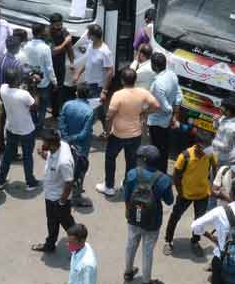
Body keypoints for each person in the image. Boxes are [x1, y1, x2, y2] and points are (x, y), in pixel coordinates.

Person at [96, 67, 159, 197]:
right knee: (131, 162)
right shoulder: (142, 92)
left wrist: (107, 131)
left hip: (118, 134)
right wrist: (144, 112)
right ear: (134, 80)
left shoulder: (118, 95)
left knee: (110, 158)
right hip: (135, 135)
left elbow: (109, 116)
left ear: (122, 81)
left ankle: (109, 186)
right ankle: (127, 186)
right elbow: (156, 106)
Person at [123, 145, 174, 284]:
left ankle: (128, 272)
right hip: (152, 221)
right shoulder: (163, 179)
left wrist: (128, 212)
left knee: (131, 244)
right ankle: (146, 282)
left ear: (143, 160)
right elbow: (170, 201)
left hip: (133, 217)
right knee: (147, 250)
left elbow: (126, 196)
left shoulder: (132, 173)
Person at [164, 130, 217, 257]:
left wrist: (212, 185)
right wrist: (180, 192)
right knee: (175, 216)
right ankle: (168, 241)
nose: (209, 148)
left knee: (199, 221)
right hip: (185, 195)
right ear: (198, 145)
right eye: (206, 146)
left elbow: (216, 168)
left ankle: (195, 242)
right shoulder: (185, 156)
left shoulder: (210, 154)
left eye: (210, 145)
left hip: (203, 194)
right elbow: (176, 176)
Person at [32, 129, 76, 253]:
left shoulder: (63, 162)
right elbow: (52, 160)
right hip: (51, 196)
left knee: (68, 225)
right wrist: (44, 155)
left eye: (44, 142)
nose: (41, 144)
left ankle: (80, 248)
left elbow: (69, 182)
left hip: (57, 199)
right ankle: (50, 245)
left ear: (52, 144)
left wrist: (62, 201)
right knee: (52, 222)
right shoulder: (60, 146)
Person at [0, 68, 41, 190]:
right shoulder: (24, 95)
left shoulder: (3, 89)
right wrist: (35, 87)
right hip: (26, 130)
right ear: (17, 79)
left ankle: (0, 180)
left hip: (11, 127)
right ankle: (30, 182)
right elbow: (35, 106)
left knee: (7, 155)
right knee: (27, 156)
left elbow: (14, 88)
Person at [59, 84, 96, 205]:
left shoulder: (67, 105)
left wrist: (66, 139)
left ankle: (63, 190)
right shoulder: (90, 111)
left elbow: (61, 124)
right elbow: (85, 133)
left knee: (65, 167)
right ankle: (76, 196)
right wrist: (73, 139)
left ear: (76, 93)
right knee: (79, 171)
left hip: (65, 144)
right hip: (81, 147)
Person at [73, 24, 113, 131]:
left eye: (89, 34)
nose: (87, 36)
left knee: (92, 112)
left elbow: (110, 71)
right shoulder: (91, 46)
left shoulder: (105, 51)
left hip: (97, 87)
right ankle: (107, 130)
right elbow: (87, 61)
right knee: (98, 112)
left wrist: (104, 90)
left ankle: (86, 133)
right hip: (87, 84)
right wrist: (78, 73)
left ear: (94, 36)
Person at [148, 52, 182, 174]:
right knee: (164, 149)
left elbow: (164, 107)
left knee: (156, 150)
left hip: (157, 122)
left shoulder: (158, 84)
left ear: (155, 66)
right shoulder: (172, 75)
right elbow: (179, 96)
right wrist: (174, 116)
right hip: (167, 121)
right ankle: (161, 172)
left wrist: (171, 113)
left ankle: (156, 174)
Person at [24, 23, 58, 125]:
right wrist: (54, 81)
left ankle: (33, 124)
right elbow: (49, 67)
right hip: (44, 83)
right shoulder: (45, 48)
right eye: (45, 30)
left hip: (30, 81)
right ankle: (39, 126)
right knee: (43, 106)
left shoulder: (27, 45)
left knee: (32, 105)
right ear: (41, 33)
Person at [49, 14, 75, 119]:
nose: (59, 27)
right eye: (57, 25)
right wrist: (66, 42)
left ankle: (56, 112)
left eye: (60, 24)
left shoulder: (64, 31)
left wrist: (72, 62)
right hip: (49, 65)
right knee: (49, 88)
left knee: (59, 89)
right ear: (51, 24)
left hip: (60, 65)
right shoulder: (47, 33)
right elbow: (53, 52)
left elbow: (70, 48)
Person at [212, 96, 235, 167]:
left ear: (228, 111)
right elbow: (216, 127)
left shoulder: (231, 129)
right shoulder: (230, 116)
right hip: (216, 153)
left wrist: (212, 142)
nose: (220, 108)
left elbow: (225, 146)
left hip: (222, 159)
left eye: (222, 107)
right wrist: (215, 120)